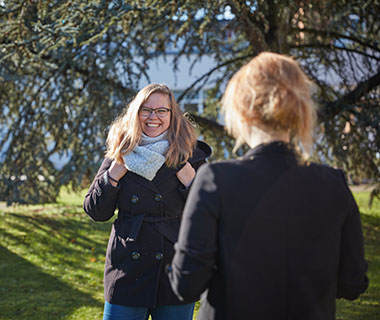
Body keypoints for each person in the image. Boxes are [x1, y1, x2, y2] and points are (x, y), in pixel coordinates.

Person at [168, 52, 369, 320]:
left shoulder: (216, 180)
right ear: (300, 109)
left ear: (242, 110)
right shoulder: (333, 184)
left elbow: (186, 284)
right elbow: (353, 283)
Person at [83, 83, 211, 320]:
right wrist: (112, 176)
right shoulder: (120, 151)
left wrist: (192, 182)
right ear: (136, 113)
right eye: (146, 110)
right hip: (127, 270)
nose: (154, 117)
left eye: (162, 111)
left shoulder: (189, 156)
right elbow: (95, 211)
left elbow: (211, 214)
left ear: (172, 116)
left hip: (175, 268)